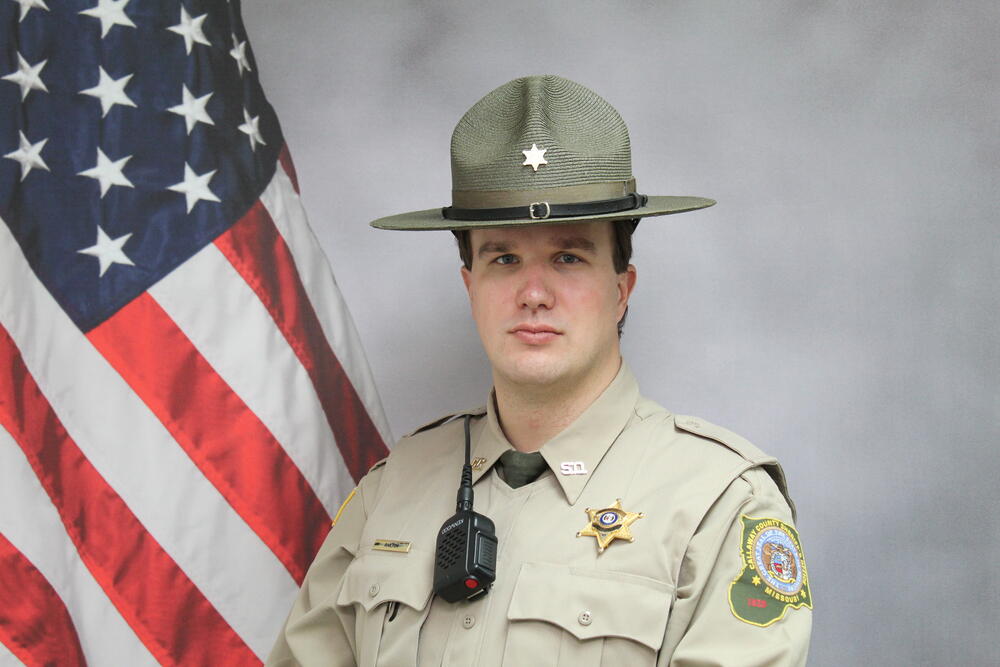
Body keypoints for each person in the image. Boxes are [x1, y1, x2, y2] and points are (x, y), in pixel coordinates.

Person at [267, 75, 812, 666]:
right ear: (470, 285)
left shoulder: (719, 504)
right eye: (504, 258)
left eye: (568, 257)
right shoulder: (390, 491)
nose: (532, 293)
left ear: (621, 288)